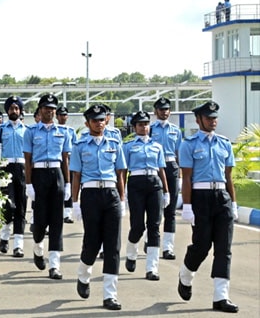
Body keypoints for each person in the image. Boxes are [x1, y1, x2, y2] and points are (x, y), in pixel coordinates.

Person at [177, 101, 239, 313]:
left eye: (215, 118)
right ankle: (186, 274)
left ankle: (221, 296)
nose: (213, 121)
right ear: (198, 120)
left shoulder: (224, 144)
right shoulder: (189, 144)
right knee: (202, 246)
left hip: (222, 197)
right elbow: (186, 178)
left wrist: (234, 202)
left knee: (224, 248)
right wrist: (187, 206)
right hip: (200, 197)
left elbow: (229, 176)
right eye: (209, 118)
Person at [70, 104, 127, 311]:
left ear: (106, 121)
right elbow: (76, 175)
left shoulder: (114, 142)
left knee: (113, 246)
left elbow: (121, 172)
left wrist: (122, 200)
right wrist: (74, 203)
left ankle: (110, 295)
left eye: (102, 119)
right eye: (94, 120)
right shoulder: (80, 145)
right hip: (91, 194)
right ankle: (83, 274)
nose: (99, 123)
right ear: (87, 123)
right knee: (92, 243)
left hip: (110, 193)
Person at [23, 94, 72, 280]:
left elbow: (66, 160)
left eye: (52, 108)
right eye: (46, 108)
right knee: (40, 221)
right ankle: (37, 247)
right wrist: (29, 184)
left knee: (57, 221)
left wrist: (67, 183)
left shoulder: (63, 132)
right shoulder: (31, 132)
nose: (49, 111)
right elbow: (27, 160)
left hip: (57, 174)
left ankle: (54, 264)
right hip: (39, 175)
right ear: (40, 110)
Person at [122, 110, 168, 281]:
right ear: (134, 127)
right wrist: (123, 190)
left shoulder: (157, 146)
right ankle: (132, 253)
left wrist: (166, 190)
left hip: (154, 183)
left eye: (146, 124)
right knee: (138, 226)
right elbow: (123, 170)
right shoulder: (127, 146)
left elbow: (161, 168)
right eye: (140, 124)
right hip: (136, 184)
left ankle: (152, 268)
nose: (144, 127)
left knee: (154, 226)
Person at [149, 97, 182, 260]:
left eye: (167, 109)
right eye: (161, 109)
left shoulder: (176, 130)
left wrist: (180, 173)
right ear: (156, 112)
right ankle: (150, 239)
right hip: (154, 168)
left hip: (171, 167)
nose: (165, 112)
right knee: (154, 208)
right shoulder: (150, 129)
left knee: (171, 211)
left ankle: (168, 247)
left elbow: (179, 153)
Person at [0, 97, 28, 257]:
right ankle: (4, 236)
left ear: (20, 111)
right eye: (11, 108)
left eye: (16, 108)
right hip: (5, 168)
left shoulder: (27, 130)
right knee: (8, 206)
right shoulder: (1, 130)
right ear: (7, 111)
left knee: (21, 207)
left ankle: (18, 245)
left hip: (22, 168)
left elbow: (31, 154)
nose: (14, 111)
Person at [56, 106, 77, 223]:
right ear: (57, 117)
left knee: (69, 184)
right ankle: (58, 210)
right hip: (58, 160)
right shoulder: (55, 129)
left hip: (69, 159)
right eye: (60, 115)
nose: (62, 117)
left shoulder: (71, 131)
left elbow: (75, 146)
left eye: (64, 115)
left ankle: (67, 213)